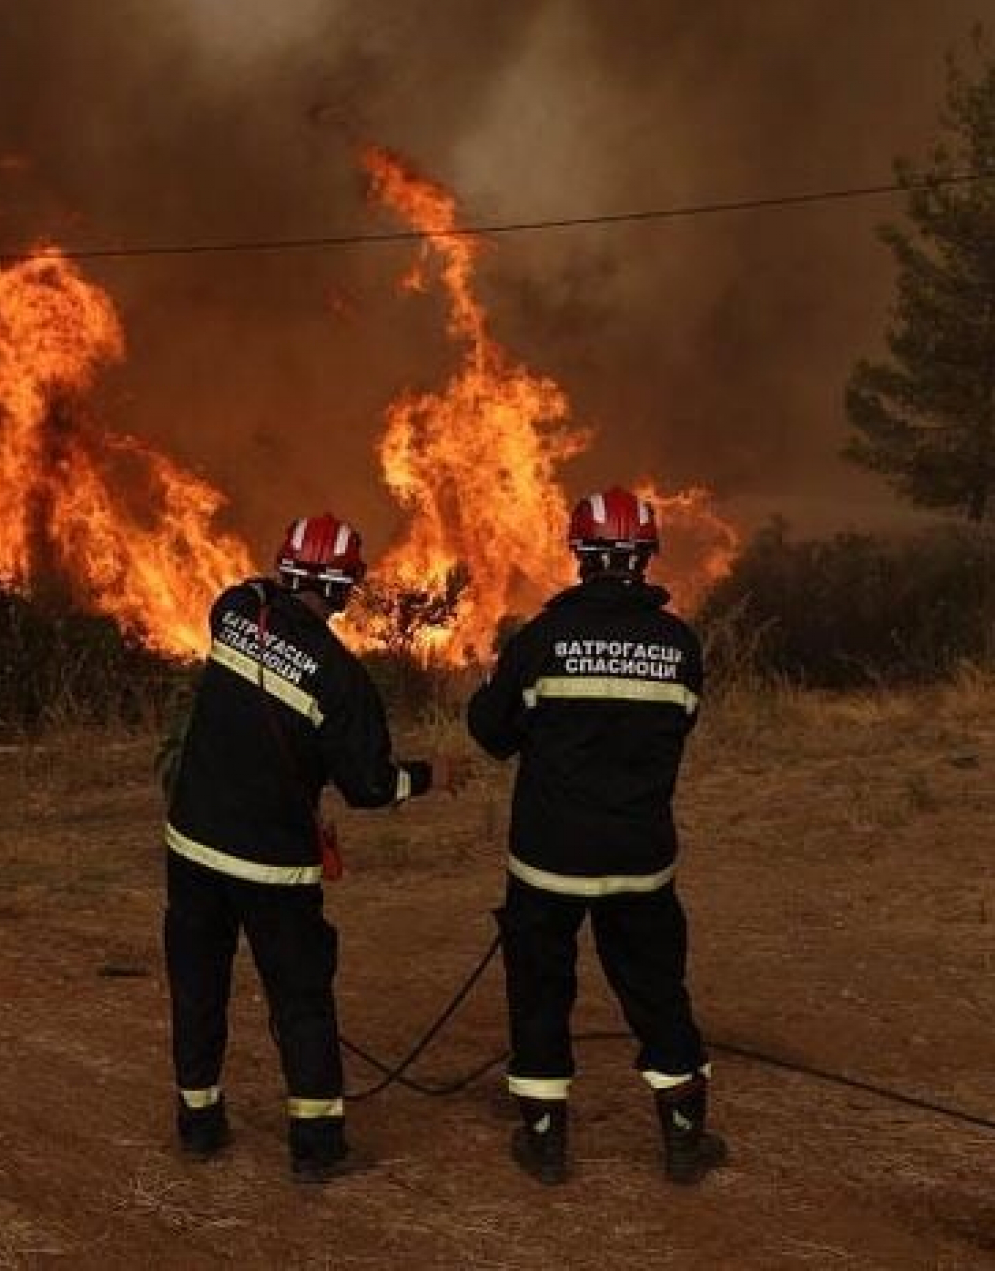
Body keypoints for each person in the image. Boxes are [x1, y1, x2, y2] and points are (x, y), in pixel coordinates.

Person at [163, 512, 447, 1182]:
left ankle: (199, 1124)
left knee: (198, 986)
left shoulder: (235, 611)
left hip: (194, 846)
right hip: (273, 867)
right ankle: (316, 1147)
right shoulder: (342, 680)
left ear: (284, 569)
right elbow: (370, 786)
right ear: (344, 589)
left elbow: (251, 593)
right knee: (300, 998)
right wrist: (428, 776)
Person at [466, 487, 726, 1187]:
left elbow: (491, 734)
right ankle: (683, 1138)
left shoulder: (542, 640)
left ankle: (544, 1141)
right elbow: (678, 725)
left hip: (548, 858)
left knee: (540, 990)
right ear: (646, 556)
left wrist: (499, 688)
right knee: (656, 989)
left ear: (580, 554)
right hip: (640, 858)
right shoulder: (679, 644)